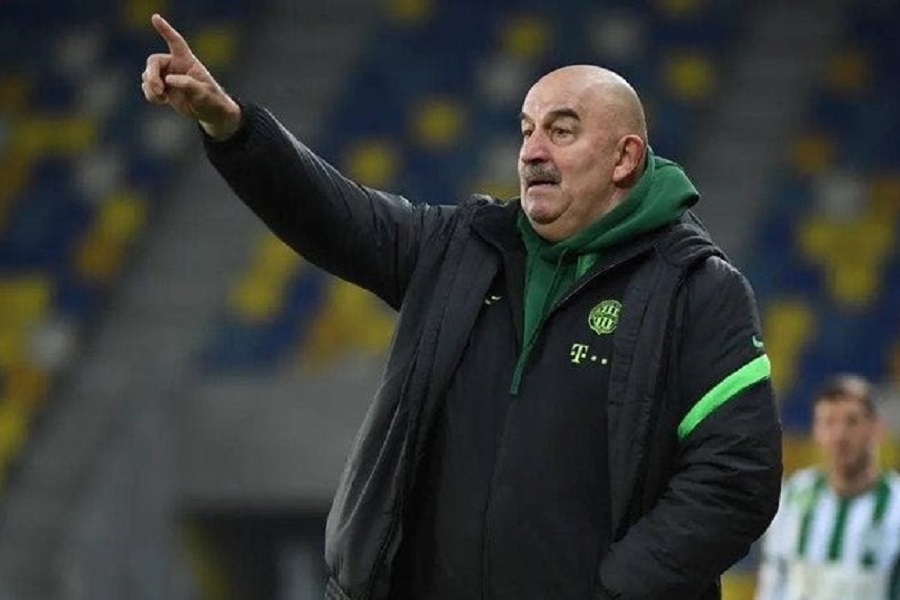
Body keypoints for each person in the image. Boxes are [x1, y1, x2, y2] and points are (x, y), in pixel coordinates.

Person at [142, 13, 782, 600]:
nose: (533, 151)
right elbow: (334, 215)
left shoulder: (698, 290)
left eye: (561, 131)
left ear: (625, 158)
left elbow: (736, 480)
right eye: (527, 130)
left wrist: (617, 591)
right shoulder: (462, 249)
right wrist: (229, 125)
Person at [755, 375, 900, 600]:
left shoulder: (895, 506)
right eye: (829, 422)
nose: (840, 435)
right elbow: (773, 580)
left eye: (852, 421)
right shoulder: (794, 495)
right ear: (816, 431)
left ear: (877, 428)